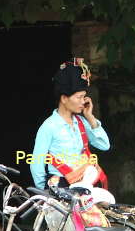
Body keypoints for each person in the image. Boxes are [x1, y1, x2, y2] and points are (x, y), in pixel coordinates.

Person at [30, 58, 110, 191]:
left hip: (85, 184)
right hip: (61, 188)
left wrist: (90, 118)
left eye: (84, 97)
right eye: (79, 97)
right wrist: (45, 193)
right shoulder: (49, 126)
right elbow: (36, 164)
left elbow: (104, 145)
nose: (83, 102)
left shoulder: (81, 122)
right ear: (64, 98)